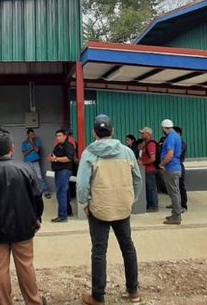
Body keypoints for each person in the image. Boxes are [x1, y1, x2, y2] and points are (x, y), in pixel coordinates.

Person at [0, 130, 46, 305]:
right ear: (12, 149)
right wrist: (37, 217)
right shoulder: (25, 169)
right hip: (23, 227)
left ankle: (4, 302)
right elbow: (37, 197)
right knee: (26, 265)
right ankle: (34, 301)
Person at [77, 115, 142, 305]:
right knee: (128, 247)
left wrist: (85, 203)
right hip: (122, 208)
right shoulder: (127, 152)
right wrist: (131, 200)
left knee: (99, 251)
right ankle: (133, 292)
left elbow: (82, 184)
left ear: (94, 133)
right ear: (113, 131)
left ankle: (98, 296)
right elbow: (137, 179)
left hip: (99, 209)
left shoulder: (89, 153)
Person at [159, 119, 183, 225]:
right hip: (176, 167)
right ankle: (175, 213)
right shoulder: (176, 136)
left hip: (171, 169)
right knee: (176, 192)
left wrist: (162, 164)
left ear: (164, 128)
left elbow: (170, 154)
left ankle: (176, 216)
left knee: (173, 193)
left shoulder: (170, 138)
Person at [48, 129, 75, 223]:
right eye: (57, 136)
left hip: (64, 171)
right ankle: (68, 212)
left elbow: (68, 158)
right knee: (65, 192)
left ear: (64, 136)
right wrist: (51, 158)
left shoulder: (68, 146)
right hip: (58, 171)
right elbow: (54, 156)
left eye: (60, 136)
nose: (58, 138)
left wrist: (55, 159)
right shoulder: (58, 146)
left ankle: (62, 216)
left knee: (61, 193)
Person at [22, 129, 50, 199]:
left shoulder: (37, 141)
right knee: (29, 177)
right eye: (31, 134)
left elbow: (37, 150)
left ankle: (45, 191)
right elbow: (24, 154)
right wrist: (31, 149)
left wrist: (32, 143)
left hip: (35, 162)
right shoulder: (24, 143)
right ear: (28, 135)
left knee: (39, 177)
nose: (32, 135)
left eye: (33, 134)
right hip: (27, 162)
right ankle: (31, 193)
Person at [138, 127, 159, 212]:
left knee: (151, 188)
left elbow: (152, 158)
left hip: (150, 170)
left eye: (143, 133)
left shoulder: (150, 144)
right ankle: (150, 204)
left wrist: (142, 163)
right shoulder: (145, 144)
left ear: (148, 134)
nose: (142, 134)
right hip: (146, 170)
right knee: (148, 188)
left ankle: (153, 205)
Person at [173, 126, 189, 212]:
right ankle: (176, 203)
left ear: (179, 134)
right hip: (173, 167)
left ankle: (183, 205)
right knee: (174, 187)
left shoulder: (181, 144)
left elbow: (176, 154)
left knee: (180, 186)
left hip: (179, 166)